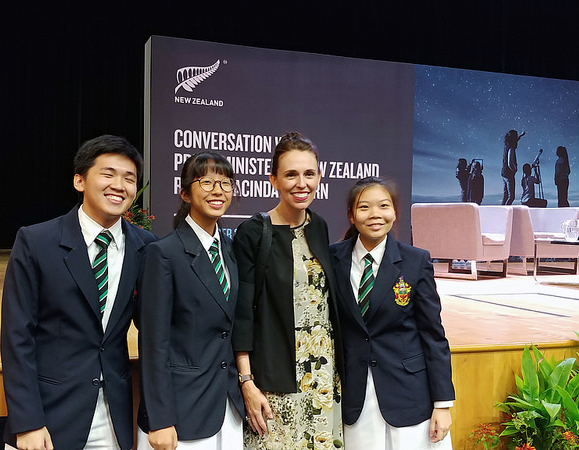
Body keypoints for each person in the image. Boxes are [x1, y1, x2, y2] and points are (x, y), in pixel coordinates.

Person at [0, 135, 157, 450]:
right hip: (47, 421)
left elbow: (156, 328)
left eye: (129, 178)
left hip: (114, 421)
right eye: (108, 174)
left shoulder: (147, 247)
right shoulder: (36, 241)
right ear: (79, 180)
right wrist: (28, 422)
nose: (119, 185)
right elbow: (17, 336)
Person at [233, 131, 343, 449]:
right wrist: (247, 382)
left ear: (320, 177)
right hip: (274, 381)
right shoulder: (254, 231)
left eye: (309, 174)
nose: (301, 183)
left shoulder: (319, 226)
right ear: (273, 180)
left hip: (323, 379)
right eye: (291, 174)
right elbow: (242, 315)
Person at [330, 177, 455, 449]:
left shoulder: (415, 261)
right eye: (364, 207)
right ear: (352, 215)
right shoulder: (333, 259)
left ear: (395, 212)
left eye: (384, 206)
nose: (375, 214)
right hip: (356, 396)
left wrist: (442, 404)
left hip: (410, 395)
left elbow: (434, 336)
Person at [136, 152, 245, 450]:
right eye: (206, 181)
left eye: (225, 183)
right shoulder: (164, 254)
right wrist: (159, 419)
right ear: (185, 192)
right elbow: (153, 343)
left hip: (228, 407)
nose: (217, 190)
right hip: (180, 413)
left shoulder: (232, 249)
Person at [501, 130, 524, 205]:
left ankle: (501, 211)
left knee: (506, 195)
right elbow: (510, 162)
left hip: (504, 173)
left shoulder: (507, 145)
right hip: (509, 174)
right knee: (511, 197)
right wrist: (514, 169)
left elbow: (515, 139)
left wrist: (520, 136)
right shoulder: (511, 148)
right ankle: (506, 212)